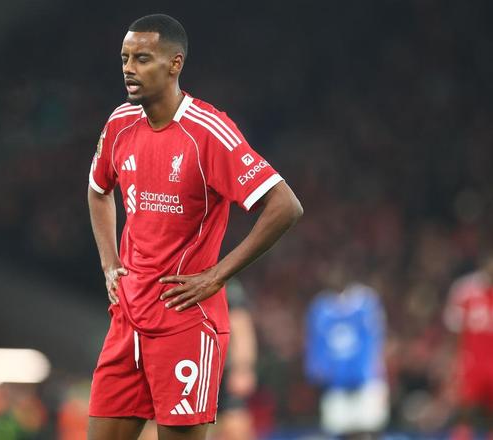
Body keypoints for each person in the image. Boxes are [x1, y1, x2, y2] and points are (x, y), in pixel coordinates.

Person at [86, 13, 303, 440]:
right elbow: (98, 190)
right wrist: (109, 262)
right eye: (125, 58)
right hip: (128, 318)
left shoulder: (208, 131)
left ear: (175, 64)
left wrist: (217, 275)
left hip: (184, 320)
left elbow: (285, 206)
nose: (129, 68)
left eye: (142, 58)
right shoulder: (119, 123)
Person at [305, 263, 388, 439]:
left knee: (367, 431)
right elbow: (314, 343)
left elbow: (376, 338)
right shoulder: (321, 307)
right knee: (339, 432)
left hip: (366, 382)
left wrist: (374, 370)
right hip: (336, 384)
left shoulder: (366, 302)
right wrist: (316, 370)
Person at [444, 253, 493, 439]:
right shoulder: (466, 290)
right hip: (472, 364)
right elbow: (454, 328)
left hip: (483, 363)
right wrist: (455, 360)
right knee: (465, 413)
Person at [212, 279, 258, 440]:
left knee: (235, 423)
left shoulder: (221, 279)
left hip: (221, 370)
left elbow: (240, 322)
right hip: (184, 366)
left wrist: (243, 369)